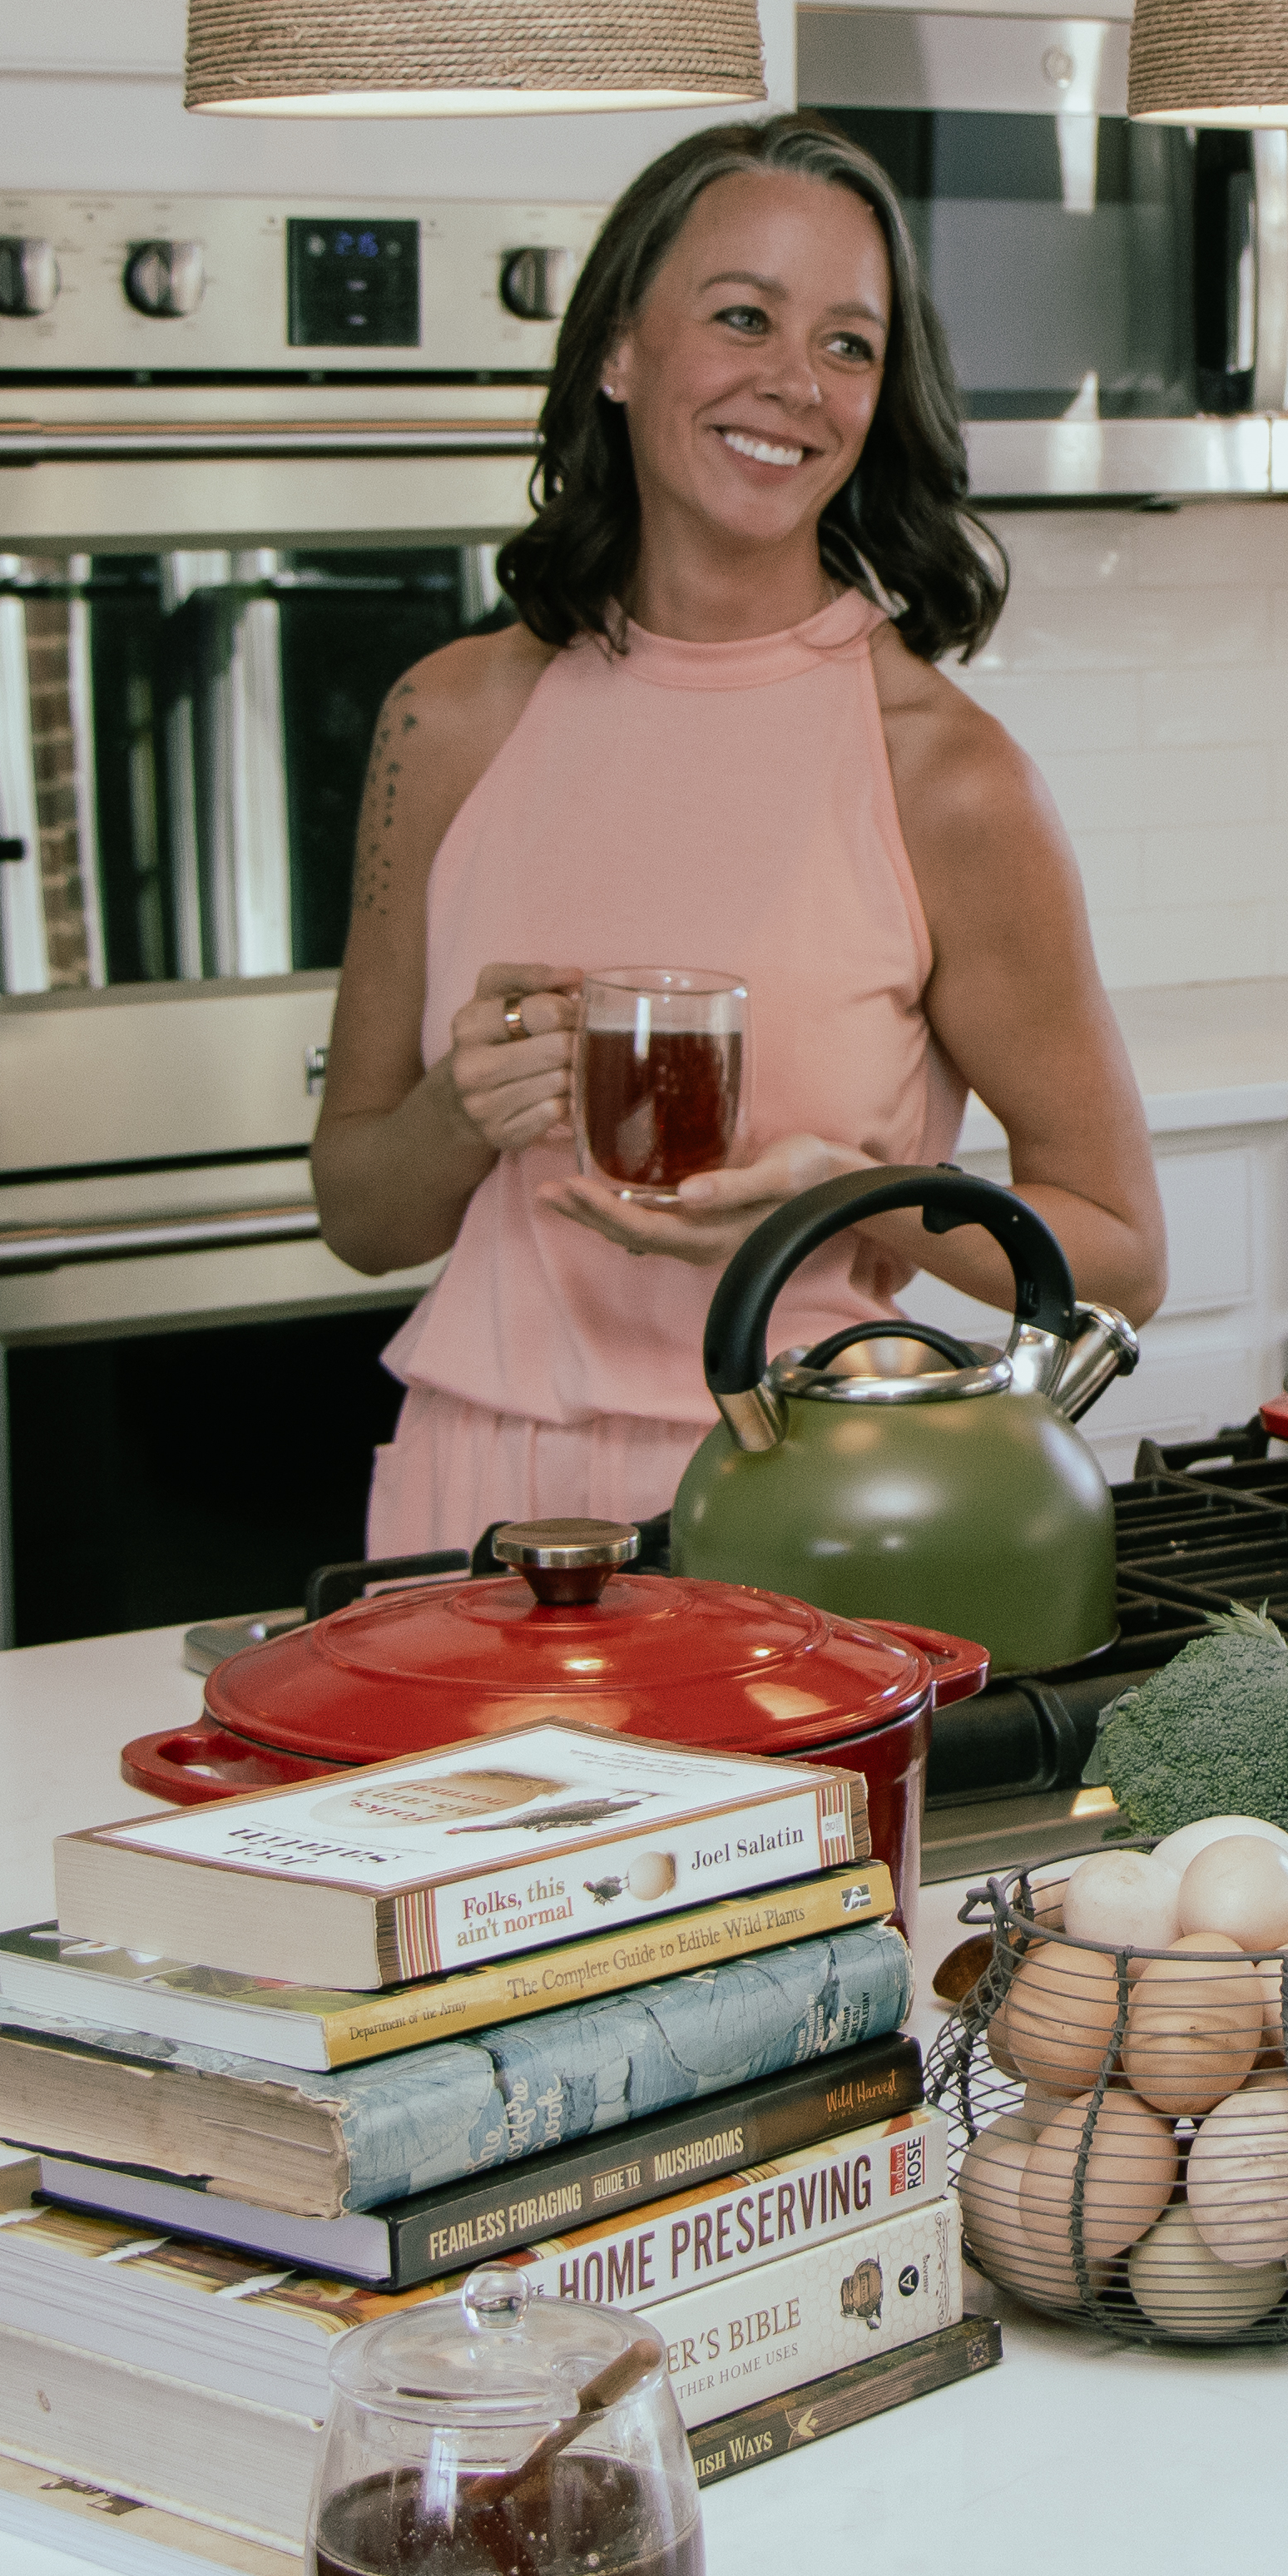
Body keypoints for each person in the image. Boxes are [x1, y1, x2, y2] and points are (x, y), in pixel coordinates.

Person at [314, 116, 1165, 1553]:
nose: (795, 383)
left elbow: (1119, 1256)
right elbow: (358, 1209)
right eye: (741, 317)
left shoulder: (946, 778)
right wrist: (462, 1108)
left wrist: (848, 1197)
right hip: (478, 1510)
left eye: (848, 345)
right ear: (618, 352)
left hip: (803, 1502)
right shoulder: (448, 720)